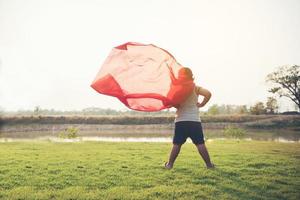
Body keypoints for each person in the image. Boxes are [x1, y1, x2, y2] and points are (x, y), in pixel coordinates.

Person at [165, 67, 214, 169]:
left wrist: (176, 105)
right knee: (200, 144)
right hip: (194, 121)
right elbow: (208, 94)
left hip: (181, 121)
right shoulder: (195, 88)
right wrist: (202, 104)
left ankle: (169, 165)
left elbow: (174, 103)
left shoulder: (177, 89)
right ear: (191, 75)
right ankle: (209, 165)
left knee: (177, 144)